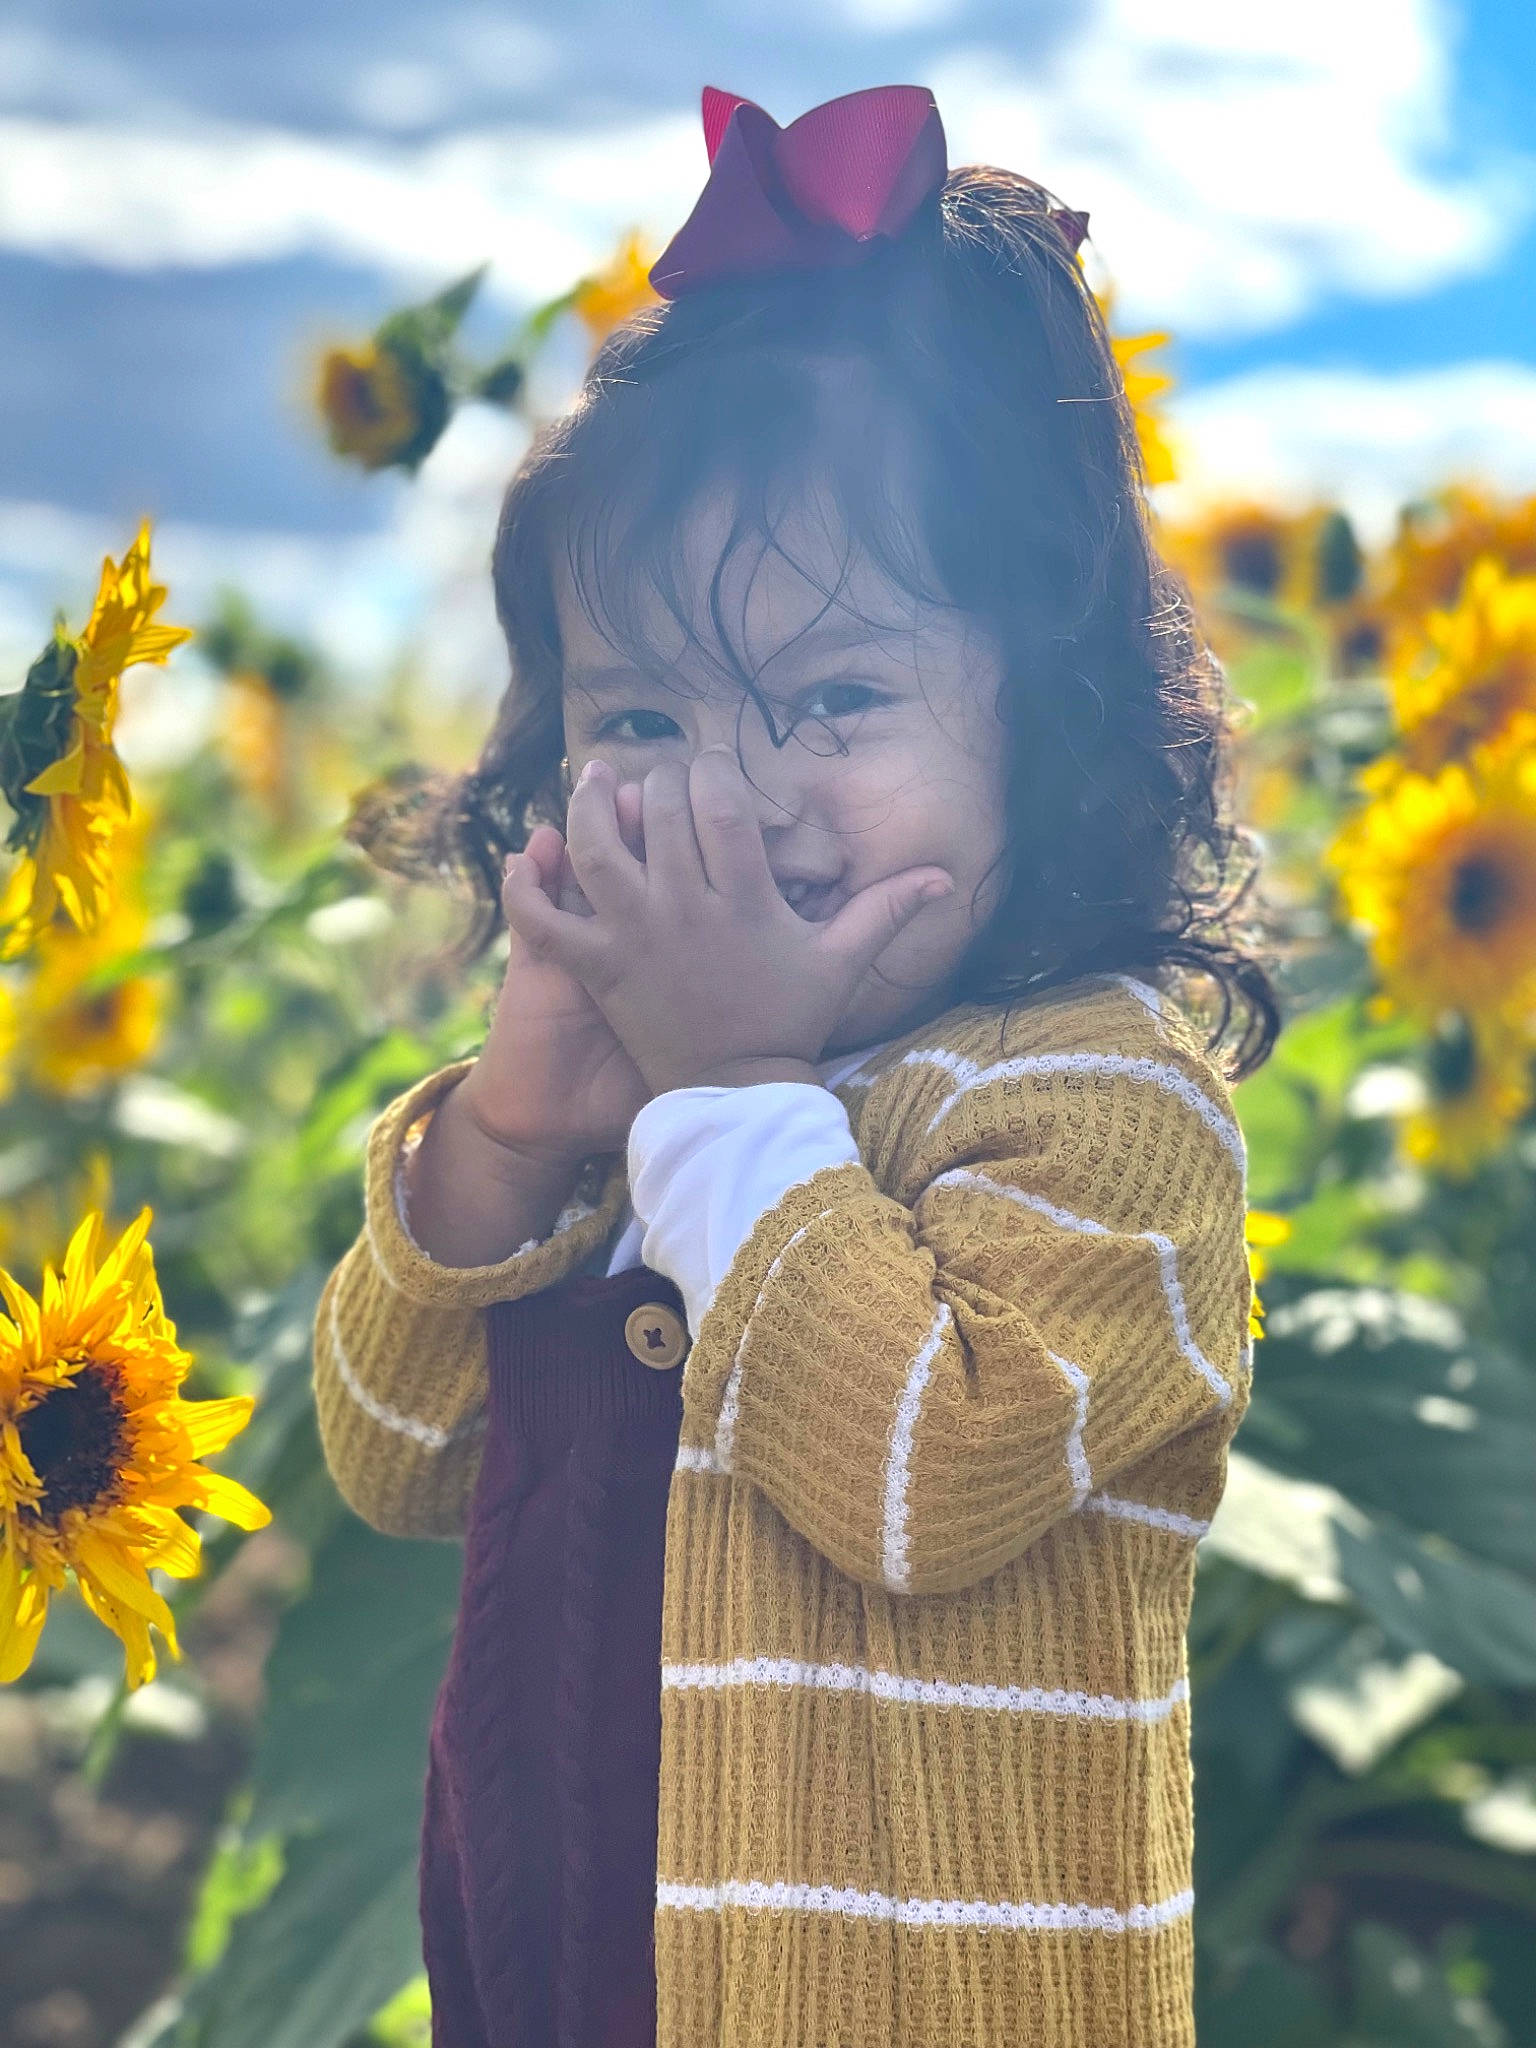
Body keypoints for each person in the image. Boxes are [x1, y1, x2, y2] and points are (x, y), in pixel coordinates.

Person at [313, 82, 1280, 2048]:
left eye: (834, 697)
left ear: (1054, 711)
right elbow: (394, 1454)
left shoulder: (1108, 1111)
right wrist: (515, 1134)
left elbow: (930, 1470)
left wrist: (726, 1094)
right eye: (646, 713)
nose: (738, 804)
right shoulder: (655, 1107)